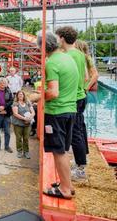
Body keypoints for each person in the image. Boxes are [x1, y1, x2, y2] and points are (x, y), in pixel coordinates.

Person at [39, 31, 78, 200]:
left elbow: (53, 92)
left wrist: (39, 96)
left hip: (57, 112)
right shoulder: (68, 57)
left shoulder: (52, 63)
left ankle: (65, 190)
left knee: (58, 151)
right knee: (64, 150)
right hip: (70, 109)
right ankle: (66, 183)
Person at [56, 26, 88, 180]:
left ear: (62, 38)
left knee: (75, 133)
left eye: (57, 37)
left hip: (73, 97)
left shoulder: (69, 55)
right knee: (78, 130)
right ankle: (79, 162)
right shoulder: (80, 54)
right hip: (80, 95)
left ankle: (81, 169)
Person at [0, 78, 14, 153]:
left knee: (7, 131)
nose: (2, 84)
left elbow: (11, 101)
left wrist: (4, 107)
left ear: (6, 84)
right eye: (1, 83)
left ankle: (7, 146)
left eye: (4, 83)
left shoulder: (9, 91)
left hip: (7, 113)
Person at [11, 91, 35, 159]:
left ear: (24, 95)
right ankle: (19, 151)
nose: (21, 95)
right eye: (19, 94)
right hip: (18, 124)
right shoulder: (15, 103)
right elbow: (15, 114)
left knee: (26, 138)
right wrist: (24, 118)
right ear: (17, 96)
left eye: (22, 94)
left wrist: (31, 117)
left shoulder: (28, 102)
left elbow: (33, 111)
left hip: (27, 124)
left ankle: (26, 152)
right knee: (18, 138)